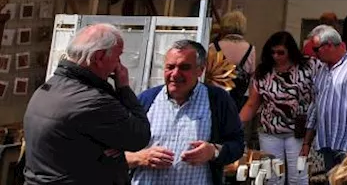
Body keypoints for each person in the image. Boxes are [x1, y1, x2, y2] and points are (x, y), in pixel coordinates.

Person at [23, 23, 152, 184]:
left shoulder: (49, 87)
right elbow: (139, 136)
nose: (119, 66)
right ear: (99, 57)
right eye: (117, 57)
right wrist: (124, 88)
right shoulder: (92, 100)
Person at [128, 40, 246, 185]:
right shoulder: (146, 100)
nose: (175, 74)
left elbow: (237, 144)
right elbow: (116, 151)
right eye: (170, 67)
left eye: (184, 67)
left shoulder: (217, 100)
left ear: (200, 70)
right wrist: (140, 157)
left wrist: (213, 151)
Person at [240, 31, 313, 185]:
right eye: (272, 52)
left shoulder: (307, 68)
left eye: (281, 52)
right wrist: (236, 123)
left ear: (290, 51)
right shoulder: (263, 71)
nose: (276, 56)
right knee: (273, 177)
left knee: (298, 176)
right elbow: (253, 103)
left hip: (298, 131)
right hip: (270, 130)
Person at [302, 25, 347, 171]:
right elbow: (315, 108)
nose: (314, 54)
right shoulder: (322, 71)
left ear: (328, 45)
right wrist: (307, 143)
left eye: (316, 49)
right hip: (328, 142)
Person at [211, 10, 255, 110]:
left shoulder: (214, 47)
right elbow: (252, 75)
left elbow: (208, 73)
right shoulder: (250, 49)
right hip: (240, 98)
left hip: (217, 96)